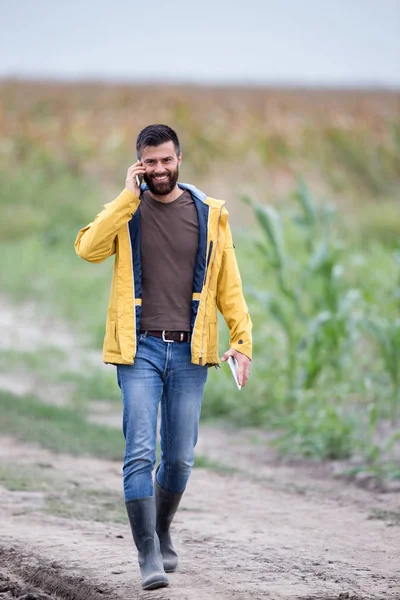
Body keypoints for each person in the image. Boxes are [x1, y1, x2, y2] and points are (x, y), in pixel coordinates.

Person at [75, 124, 252, 590]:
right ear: (139, 164)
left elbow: (228, 285)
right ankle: (147, 554)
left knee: (178, 459)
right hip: (140, 350)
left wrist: (243, 339)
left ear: (179, 160)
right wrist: (124, 198)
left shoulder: (208, 213)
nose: (159, 170)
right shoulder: (126, 212)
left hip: (192, 350)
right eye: (149, 162)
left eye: (166, 160)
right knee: (139, 453)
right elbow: (87, 249)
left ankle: (162, 526)